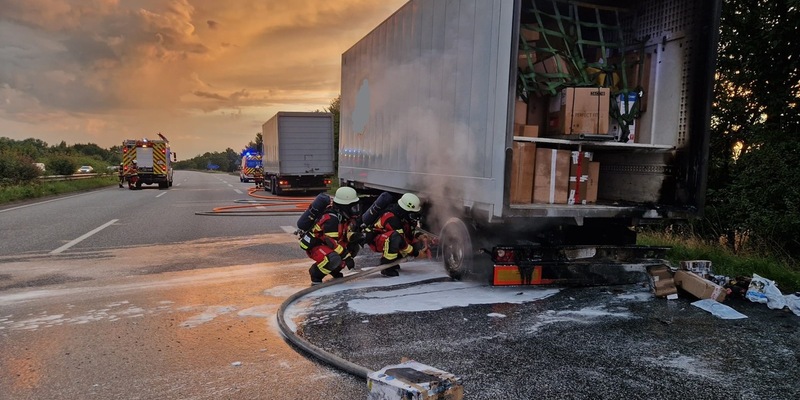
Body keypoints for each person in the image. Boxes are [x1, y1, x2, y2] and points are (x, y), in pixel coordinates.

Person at [299, 187, 362, 285]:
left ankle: (334, 269)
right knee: (334, 258)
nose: (355, 210)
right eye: (353, 207)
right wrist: (346, 256)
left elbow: (344, 233)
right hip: (317, 245)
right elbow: (330, 242)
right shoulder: (332, 219)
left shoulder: (343, 216)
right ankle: (316, 273)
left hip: (327, 243)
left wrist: (356, 237)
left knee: (353, 248)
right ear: (344, 206)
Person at [365, 192, 424, 277]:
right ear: (406, 210)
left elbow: (408, 235)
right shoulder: (392, 219)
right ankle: (386, 266)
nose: (414, 216)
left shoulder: (403, 216)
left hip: (389, 238)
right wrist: (415, 253)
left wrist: (419, 239)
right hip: (377, 240)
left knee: (412, 244)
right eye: (412, 213)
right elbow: (401, 242)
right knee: (396, 238)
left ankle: (393, 262)